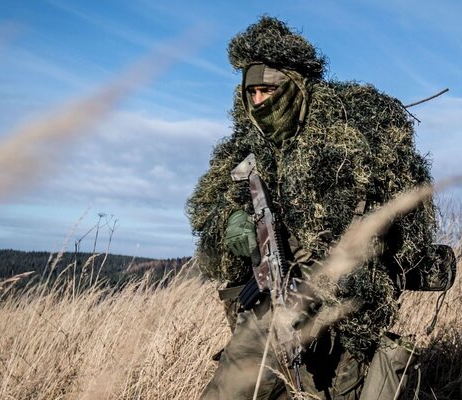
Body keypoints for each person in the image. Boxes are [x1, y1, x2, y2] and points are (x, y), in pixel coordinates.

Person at [187, 16, 445, 399]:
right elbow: (208, 224)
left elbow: (370, 232)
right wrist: (230, 223)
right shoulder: (240, 152)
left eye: (267, 91)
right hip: (273, 308)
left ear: (292, 86)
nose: (259, 102)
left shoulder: (343, 142)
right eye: (251, 92)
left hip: (343, 307)